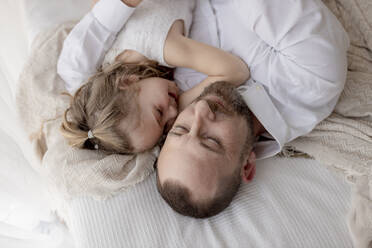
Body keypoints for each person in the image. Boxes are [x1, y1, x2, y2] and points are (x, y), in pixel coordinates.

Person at [156, 0, 350, 218]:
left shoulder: (182, 90)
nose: (200, 109)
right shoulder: (312, 80)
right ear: (247, 165)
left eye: (181, 129)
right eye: (211, 140)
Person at [57, 0, 249, 154]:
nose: (174, 115)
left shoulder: (161, 46)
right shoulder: (113, 74)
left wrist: (183, 101)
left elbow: (236, 71)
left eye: (159, 112)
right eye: (166, 126)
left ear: (127, 82)